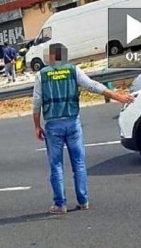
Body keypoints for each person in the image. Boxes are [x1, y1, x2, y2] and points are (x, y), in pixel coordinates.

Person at [32, 43, 134, 214]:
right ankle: (83, 200)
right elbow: (93, 86)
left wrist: (36, 125)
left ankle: (60, 204)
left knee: (56, 165)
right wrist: (119, 97)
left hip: (53, 124)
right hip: (73, 122)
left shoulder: (41, 75)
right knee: (79, 163)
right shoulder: (73, 70)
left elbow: (36, 103)